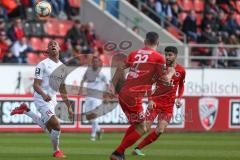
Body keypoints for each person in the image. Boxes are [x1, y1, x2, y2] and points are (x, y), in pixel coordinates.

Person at [109, 32, 175, 160]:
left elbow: (120, 67)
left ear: (145, 42)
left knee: (136, 125)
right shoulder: (158, 57)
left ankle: (120, 153)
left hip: (123, 92)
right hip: (134, 95)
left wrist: (112, 86)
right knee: (143, 127)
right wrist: (171, 72)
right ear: (158, 43)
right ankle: (118, 153)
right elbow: (165, 80)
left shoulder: (135, 53)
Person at [10, 40, 73, 158]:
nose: (53, 45)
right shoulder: (42, 64)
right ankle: (56, 151)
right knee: (57, 125)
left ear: (59, 49)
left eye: (55, 44)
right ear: (47, 50)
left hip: (52, 99)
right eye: (50, 44)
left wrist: (69, 107)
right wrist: (44, 95)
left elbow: (63, 88)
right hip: (41, 99)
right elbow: (36, 85)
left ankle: (26, 111)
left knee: (50, 129)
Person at [132, 46, 186, 156]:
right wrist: (150, 100)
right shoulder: (159, 68)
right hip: (156, 103)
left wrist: (179, 98)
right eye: (166, 54)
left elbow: (181, 86)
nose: (167, 57)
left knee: (160, 130)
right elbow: (149, 85)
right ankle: (125, 144)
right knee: (145, 127)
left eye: (170, 55)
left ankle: (138, 148)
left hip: (168, 106)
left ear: (175, 56)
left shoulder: (181, 70)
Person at [80, 56, 109, 141]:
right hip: (89, 97)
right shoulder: (88, 72)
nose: (95, 63)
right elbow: (83, 80)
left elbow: (107, 84)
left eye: (97, 62)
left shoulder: (102, 74)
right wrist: (81, 89)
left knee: (94, 115)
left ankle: (93, 135)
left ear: (99, 63)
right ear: (92, 63)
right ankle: (99, 130)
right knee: (88, 116)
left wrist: (106, 96)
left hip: (97, 98)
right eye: (94, 62)